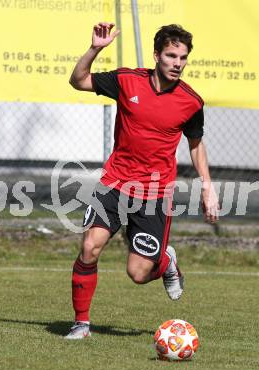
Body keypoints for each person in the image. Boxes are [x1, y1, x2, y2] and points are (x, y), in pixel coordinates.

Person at [65, 22, 220, 339]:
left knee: (137, 273)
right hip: (114, 182)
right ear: (156, 55)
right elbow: (78, 80)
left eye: (183, 57)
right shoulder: (126, 81)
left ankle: (165, 261)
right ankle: (81, 324)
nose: (177, 63)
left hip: (154, 193)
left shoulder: (191, 102)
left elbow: (195, 144)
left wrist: (207, 185)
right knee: (89, 247)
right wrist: (95, 48)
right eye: (171, 55)